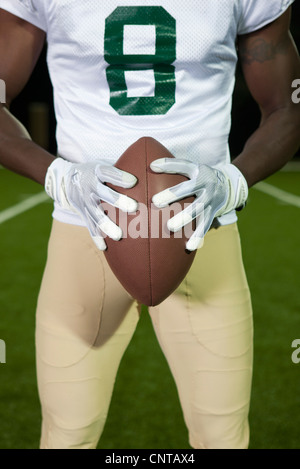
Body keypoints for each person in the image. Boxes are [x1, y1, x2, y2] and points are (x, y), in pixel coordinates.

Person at [0, 0, 299, 450]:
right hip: (85, 232)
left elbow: (289, 106)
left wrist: (233, 180)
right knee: (67, 436)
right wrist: (56, 174)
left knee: (223, 438)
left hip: (203, 232)